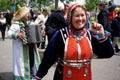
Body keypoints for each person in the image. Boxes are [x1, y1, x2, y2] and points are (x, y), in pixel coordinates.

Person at [35, 3, 114, 80]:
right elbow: (48, 58)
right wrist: (39, 76)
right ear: (70, 17)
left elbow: (108, 54)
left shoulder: (89, 35)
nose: (80, 19)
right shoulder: (61, 34)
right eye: (77, 16)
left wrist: (101, 35)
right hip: (62, 77)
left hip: (84, 77)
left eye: (82, 15)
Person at [7, 6, 40, 80]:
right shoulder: (16, 25)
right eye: (26, 14)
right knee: (22, 65)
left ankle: (31, 75)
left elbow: (37, 33)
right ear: (22, 15)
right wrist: (17, 35)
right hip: (21, 50)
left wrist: (41, 33)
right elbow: (8, 34)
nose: (28, 15)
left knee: (32, 61)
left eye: (28, 14)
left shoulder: (31, 23)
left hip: (31, 48)